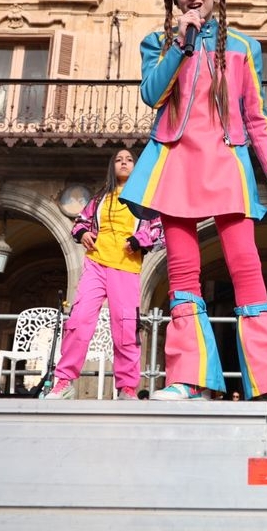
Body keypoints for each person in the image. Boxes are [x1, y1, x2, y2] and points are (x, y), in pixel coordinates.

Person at [120, 0, 267, 404]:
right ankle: (188, 379)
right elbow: (152, 94)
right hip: (174, 164)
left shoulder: (244, 46)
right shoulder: (158, 43)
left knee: (247, 270)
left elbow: (255, 116)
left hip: (227, 163)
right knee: (183, 274)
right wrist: (182, 45)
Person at [45, 149, 164, 401]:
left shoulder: (144, 198)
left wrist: (138, 240)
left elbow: (157, 229)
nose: (123, 163)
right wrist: (83, 234)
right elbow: (80, 223)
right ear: (112, 167)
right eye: (119, 160)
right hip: (95, 264)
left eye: (129, 160)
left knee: (125, 327)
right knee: (78, 320)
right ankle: (64, 381)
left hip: (126, 266)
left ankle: (127, 387)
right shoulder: (99, 199)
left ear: (136, 167)